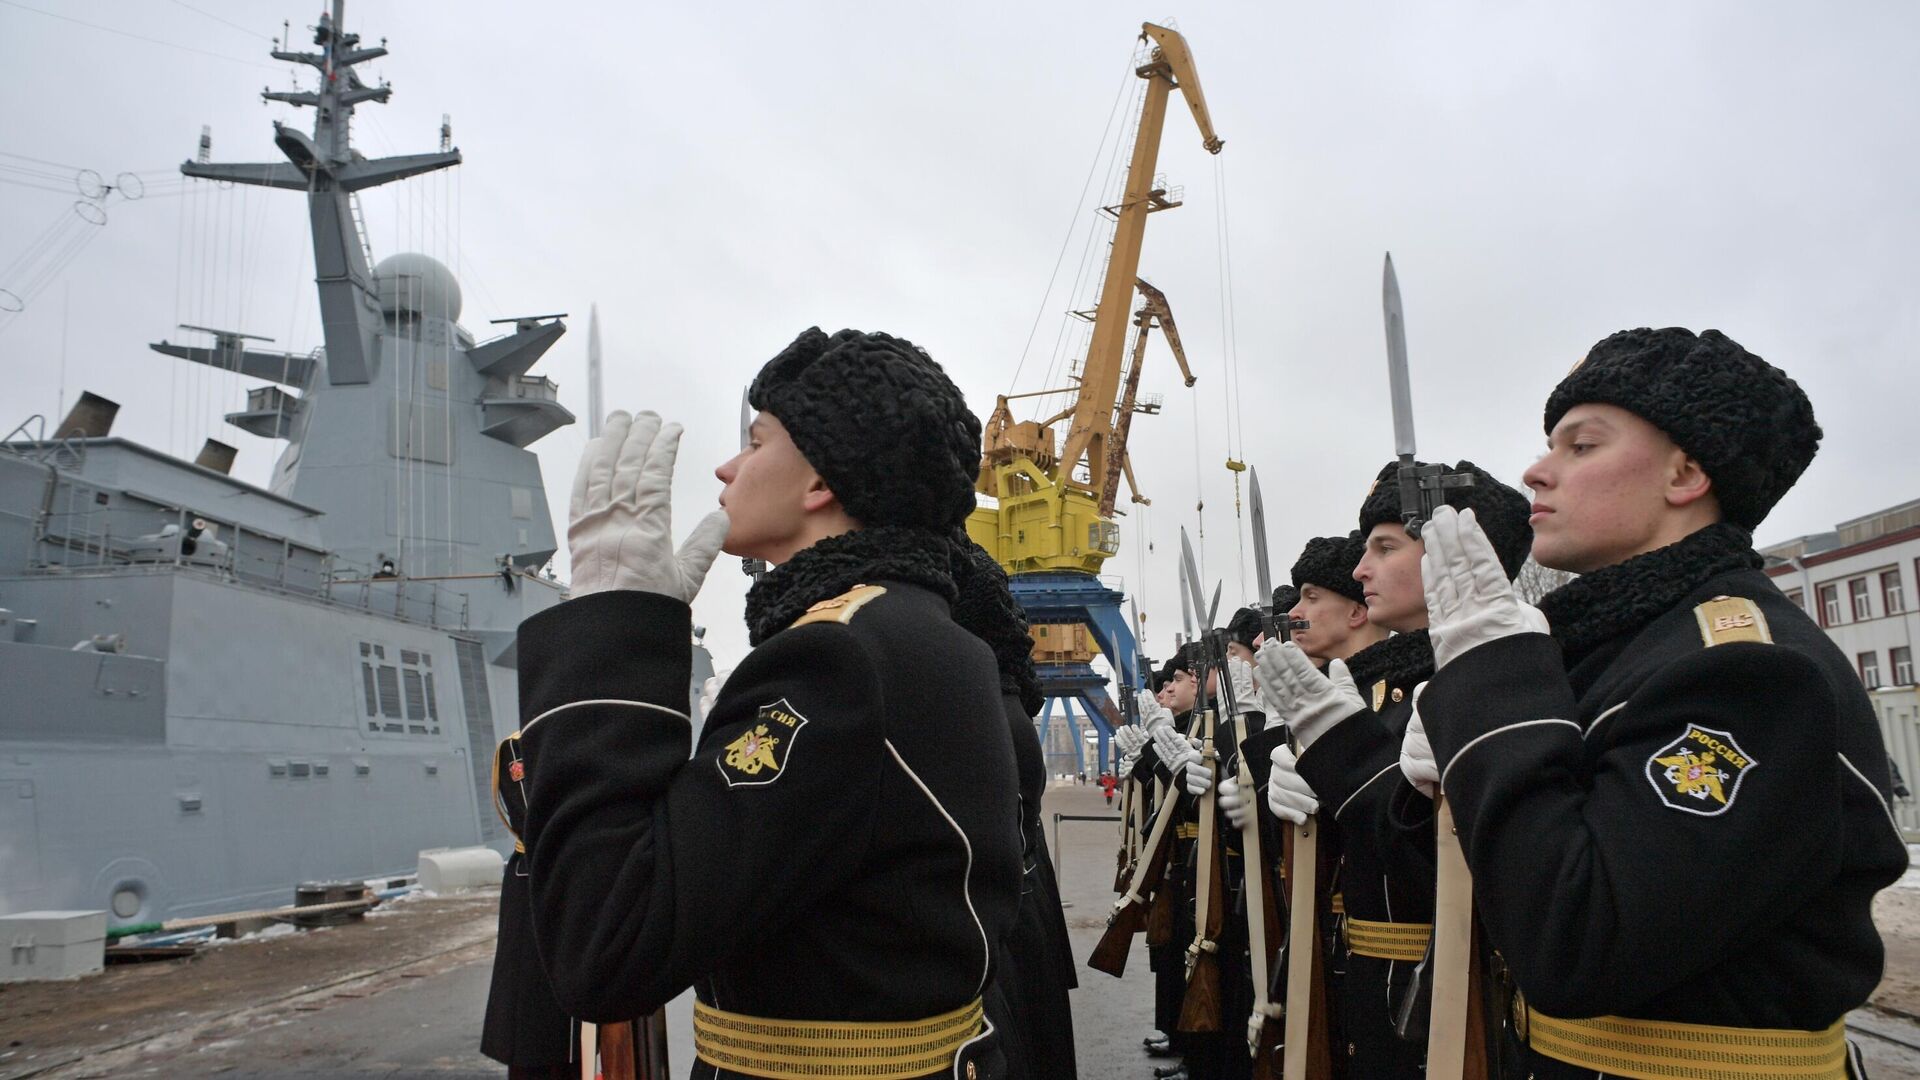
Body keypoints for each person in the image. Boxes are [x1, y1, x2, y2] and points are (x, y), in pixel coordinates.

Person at [515, 327, 1025, 1080]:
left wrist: (613, 634)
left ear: (818, 482)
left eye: (755, 444)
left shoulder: (840, 656)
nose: (727, 466)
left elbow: (607, 942)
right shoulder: (924, 633)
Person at [1403, 327, 1908, 1078]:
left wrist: (1495, 703)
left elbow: (1579, 941)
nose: (1536, 473)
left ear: (1685, 475)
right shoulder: (1617, 650)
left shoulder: (1746, 668)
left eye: (1581, 446)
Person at [1257, 467, 1532, 1079]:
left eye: (1384, 548)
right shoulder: (1378, 685)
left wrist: (1350, 767)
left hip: (1448, 989)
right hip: (1365, 968)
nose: (1361, 570)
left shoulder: (1513, 672)